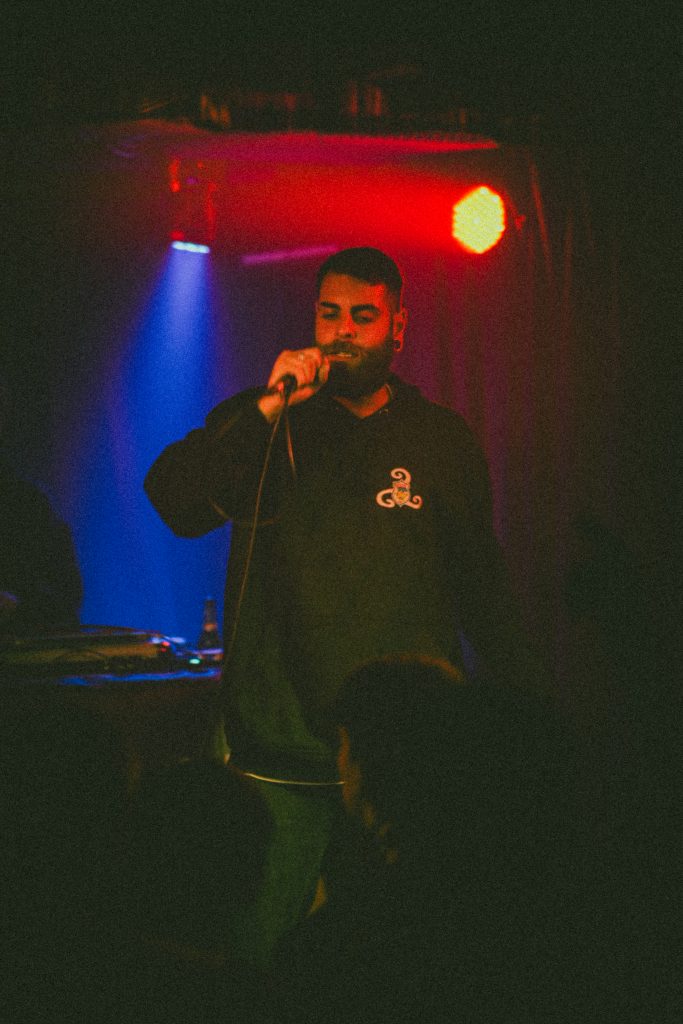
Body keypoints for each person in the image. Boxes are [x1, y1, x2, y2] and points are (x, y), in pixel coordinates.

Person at [144, 246, 549, 960]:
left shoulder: (439, 439)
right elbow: (174, 499)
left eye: (363, 316)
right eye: (329, 314)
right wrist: (269, 406)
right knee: (259, 948)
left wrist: (525, 711)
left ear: (398, 328)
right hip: (281, 748)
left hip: (402, 758)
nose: (343, 332)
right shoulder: (270, 420)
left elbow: (481, 590)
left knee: (401, 956)